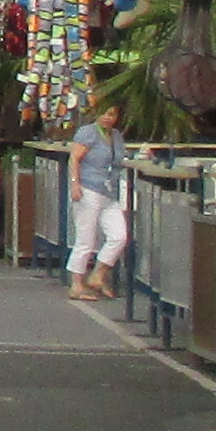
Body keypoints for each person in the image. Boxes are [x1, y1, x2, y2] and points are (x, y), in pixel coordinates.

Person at [65, 100, 130, 301]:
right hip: (89, 188)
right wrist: (74, 184)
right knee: (85, 239)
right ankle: (76, 283)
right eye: (105, 114)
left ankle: (98, 274)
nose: (108, 118)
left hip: (109, 191)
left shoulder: (116, 136)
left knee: (119, 236)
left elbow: (119, 159)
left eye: (112, 114)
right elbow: (75, 158)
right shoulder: (88, 132)